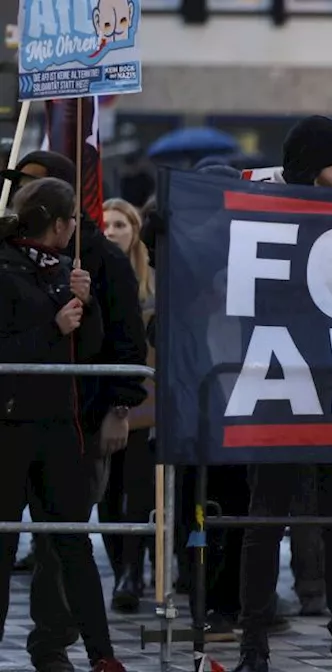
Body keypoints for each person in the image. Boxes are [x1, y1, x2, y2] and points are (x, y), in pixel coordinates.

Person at [233, 115, 332, 672]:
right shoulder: (260, 214)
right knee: (266, 518)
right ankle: (253, 646)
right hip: (278, 379)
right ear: (315, 164)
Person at [0, 178, 125, 672]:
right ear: (57, 224)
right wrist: (52, 325)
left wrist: (85, 305)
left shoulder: (65, 272)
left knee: (73, 542)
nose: (78, 229)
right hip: (9, 427)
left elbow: (86, 349)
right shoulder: (6, 268)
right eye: (73, 221)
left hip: (58, 429)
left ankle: (102, 654)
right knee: (4, 543)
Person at [99, 198, 157, 614]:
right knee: (106, 491)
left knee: (137, 489)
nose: (112, 231)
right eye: (104, 224)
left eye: (120, 223)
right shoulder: (91, 272)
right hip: (100, 395)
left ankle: (132, 572)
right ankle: (121, 565)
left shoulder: (152, 280)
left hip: (146, 398)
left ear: (134, 229)